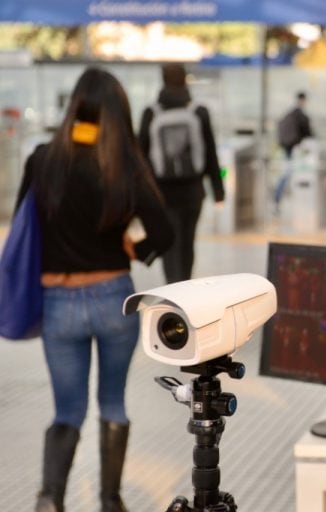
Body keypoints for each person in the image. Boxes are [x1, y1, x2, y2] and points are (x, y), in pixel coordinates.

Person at [17, 67, 174, 512]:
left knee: (67, 410)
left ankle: (50, 499)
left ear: (75, 110)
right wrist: (134, 247)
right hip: (113, 298)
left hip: (59, 303)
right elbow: (166, 232)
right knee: (112, 403)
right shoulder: (126, 166)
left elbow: (28, 229)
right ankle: (110, 500)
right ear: (118, 114)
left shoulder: (43, 159)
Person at [138, 63, 225, 283]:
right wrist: (218, 191)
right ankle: (185, 284)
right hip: (193, 191)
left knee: (170, 243)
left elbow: (140, 156)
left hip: (162, 193)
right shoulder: (198, 111)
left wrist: (141, 195)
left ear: (163, 80)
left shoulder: (151, 113)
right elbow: (211, 153)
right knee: (188, 242)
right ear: (186, 79)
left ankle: (172, 288)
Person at [274, 91, 313, 213]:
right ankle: (278, 200)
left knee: (287, 174)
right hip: (294, 151)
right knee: (291, 174)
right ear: (303, 100)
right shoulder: (300, 115)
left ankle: (278, 200)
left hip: (287, 148)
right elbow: (308, 133)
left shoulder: (289, 114)